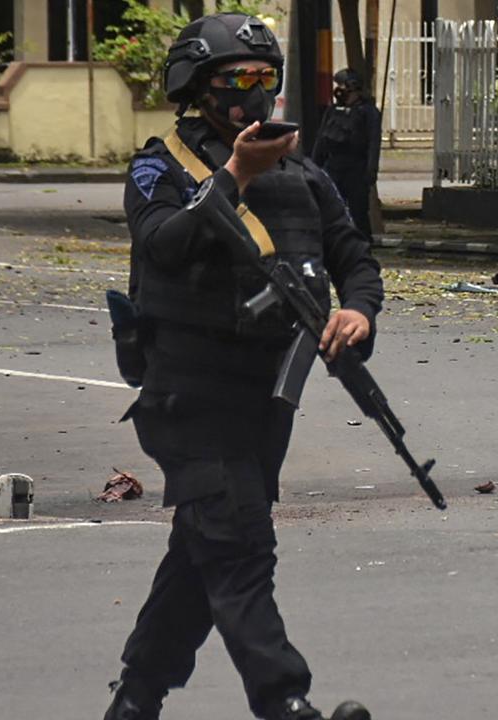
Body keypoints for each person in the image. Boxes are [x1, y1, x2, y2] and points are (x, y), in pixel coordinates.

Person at [105, 13, 382, 720]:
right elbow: (163, 243)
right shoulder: (159, 167)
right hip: (188, 398)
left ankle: (136, 699)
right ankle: (286, 700)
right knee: (240, 544)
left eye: (263, 78)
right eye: (235, 80)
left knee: (203, 552)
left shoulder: (302, 173)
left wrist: (358, 311)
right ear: (197, 87)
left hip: (264, 401)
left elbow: (354, 255)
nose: (251, 94)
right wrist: (233, 176)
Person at [312, 68, 382, 237]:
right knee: (331, 211)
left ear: (352, 87)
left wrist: (371, 170)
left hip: (356, 169)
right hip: (334, 167)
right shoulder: (332, 111)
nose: (338, 90)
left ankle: (363, 244)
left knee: (358, 212)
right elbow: (321, 140)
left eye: (341, 85)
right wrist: (314, 167)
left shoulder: (368, 112)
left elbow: (374, 142)